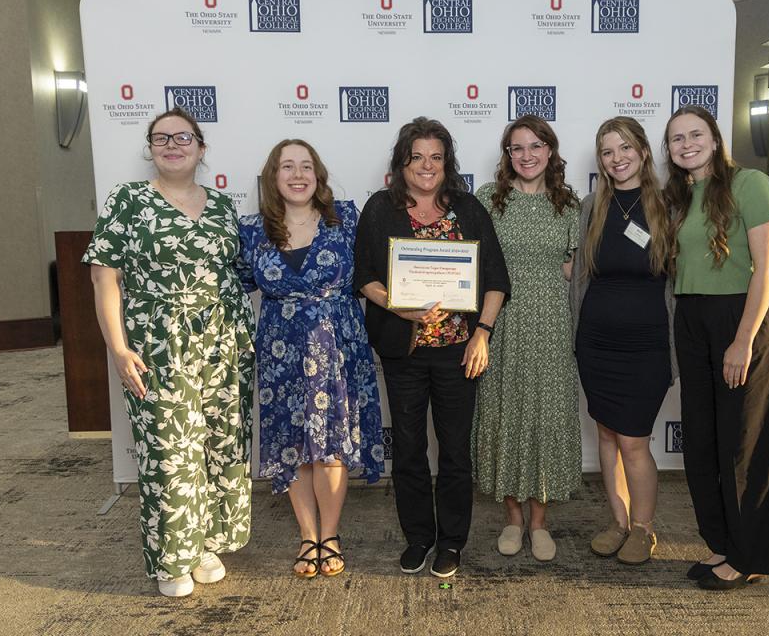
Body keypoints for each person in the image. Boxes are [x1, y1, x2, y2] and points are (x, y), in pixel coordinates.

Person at [84, 107, 255, 597]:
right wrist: (118, 348)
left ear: (201, 148)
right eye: (161, 138)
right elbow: (104, 277)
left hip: (224, 342)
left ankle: (206, 543)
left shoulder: (223, 206)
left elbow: (239, 273)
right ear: (150, 149)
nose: (173, 144)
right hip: (157, 344)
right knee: (168, 449)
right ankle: (171, 557)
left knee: (220, 444)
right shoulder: (128, 201)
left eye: (184, 137)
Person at [353, 117, 511, 578]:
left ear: (447, 163)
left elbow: (496, 279)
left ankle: (452, 542)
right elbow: (363, 275)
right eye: (416, 156)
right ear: (402, 162)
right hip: (403, 352)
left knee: (456, 451)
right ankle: (419, 537)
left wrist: (482, 332)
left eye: (436, 157)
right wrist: (400, 308)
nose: (426, 166)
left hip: (457, 351)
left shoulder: (467, 208)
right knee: (407, 449)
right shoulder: (381, 208)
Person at [237, 139, 384, 579]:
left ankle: (331, 535)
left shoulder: (347, 220)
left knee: (332, 447)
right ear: (273, 177)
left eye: (306, 166)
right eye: (287, 167)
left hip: (339, 348)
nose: (298, 174)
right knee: (293, 447)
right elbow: (234, 286)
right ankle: (307, 536)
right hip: (282, 352)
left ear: (318, 176)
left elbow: (377, 271)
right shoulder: (251, 230)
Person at [662, 104, 769, 590]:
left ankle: (751, 554)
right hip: (691, 317)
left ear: (715, 139)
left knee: (743, 442)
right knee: (702, 439)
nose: (687, 144)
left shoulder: (749, 184)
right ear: (670, 150)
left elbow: (768, 269)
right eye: (677, 139)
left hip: (739, 317)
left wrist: (743, 339)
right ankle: (722, 544)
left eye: (695, 134)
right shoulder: (681, 195)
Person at [472, 115, 580, 562]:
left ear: (550, 151)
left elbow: (573, 271)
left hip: (551, 328)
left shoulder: (568, 205)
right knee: (505, 416)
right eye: (518, 148)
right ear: (508, 155)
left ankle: (539, 523)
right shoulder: (487, 201)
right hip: (500, 325)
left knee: (546, 418)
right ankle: (512, 518)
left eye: (536, 146)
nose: (527, 155)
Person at [570, 117, 674, 566]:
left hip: (646, 345)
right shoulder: (591, 206)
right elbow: (577, 273)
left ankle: (644, 528)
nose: (617, 158)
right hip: (595, 343)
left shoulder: (669, 206)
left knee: (634, 441)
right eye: (608, 152)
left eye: (625, 148)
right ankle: (618, 521)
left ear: (644, 152)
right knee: (607, 436)